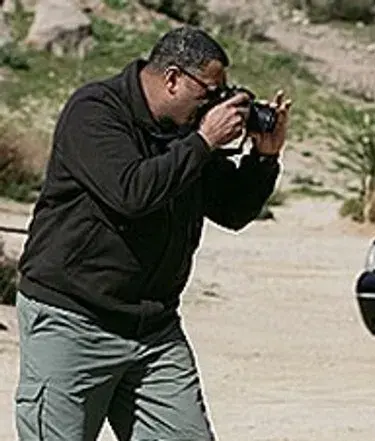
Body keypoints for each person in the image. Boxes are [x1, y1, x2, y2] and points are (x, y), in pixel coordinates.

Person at [13, 26, 291, 441]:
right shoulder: (95, 111)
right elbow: (131, 193)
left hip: (153, 329)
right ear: (173, 78)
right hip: (74, 321)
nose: (213, 102)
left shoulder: (186, 131)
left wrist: (263, 160)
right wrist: (204, 140)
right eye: (209, 91)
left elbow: (232, 212)